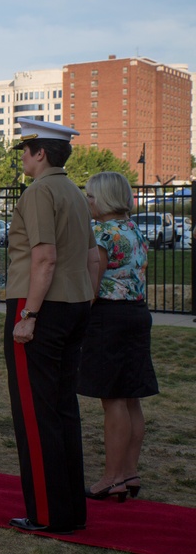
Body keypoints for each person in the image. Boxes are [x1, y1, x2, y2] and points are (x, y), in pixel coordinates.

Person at [5, 118, 99, 535]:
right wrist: (83, 300)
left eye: (25, 151)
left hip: (39, 306)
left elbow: (44, 258)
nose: (23, 159)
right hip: (73, 302)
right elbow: (93, 258)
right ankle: (70, 510)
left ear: (40, 153)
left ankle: (47, 513)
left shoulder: (40, 192)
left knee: (36, 413)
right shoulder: (75, 193)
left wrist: (29, 316)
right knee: (63, 410)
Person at [78, 171, 159, 501]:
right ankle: (129, 471)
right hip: (137, 313)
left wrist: (78, 317)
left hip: (108, 318)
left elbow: (92, 283)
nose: (88, 201)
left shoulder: (101, 233)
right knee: (131, 397)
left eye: (91, 195)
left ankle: (112, 478)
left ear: (105, 199)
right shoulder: (133, 229)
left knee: (112, 400)